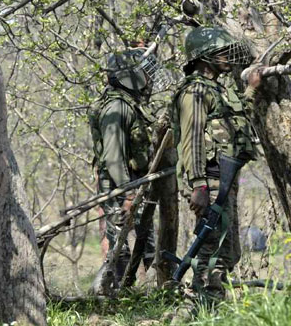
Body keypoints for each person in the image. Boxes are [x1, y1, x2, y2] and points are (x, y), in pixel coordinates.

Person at [170, 26, 261, 302]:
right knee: (212, 249)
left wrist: (252, 90)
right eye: (222, 51)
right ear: (204, 56)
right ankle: (204, 306)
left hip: (223, 179)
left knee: (228, 250)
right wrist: (198, 184)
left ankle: (212, 302)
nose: (228, 56)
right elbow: (193, 139)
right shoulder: (195, 91)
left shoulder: (217, 89)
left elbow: (235, 119)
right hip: (209, 181)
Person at [88, 47, 163, 290]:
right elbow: (112, 158)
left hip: (133, 182)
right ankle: (111, 294)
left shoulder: (129, 104)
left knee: (146, 242)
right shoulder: (117, 108)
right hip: (122, 186)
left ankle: (144, 292)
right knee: (120, 245)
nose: (147, 76)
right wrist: (128, 194)